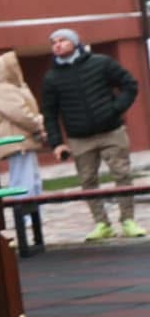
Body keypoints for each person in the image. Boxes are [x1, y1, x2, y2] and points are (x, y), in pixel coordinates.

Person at [39, 27, 143, 241]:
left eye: (63, 40)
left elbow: (130, 85)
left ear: (75, 43)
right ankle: (102, 224)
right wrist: (57, 143)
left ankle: (128, 220)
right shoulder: (51, 78)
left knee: (122, 175)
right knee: (88, 181)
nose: (57, 45)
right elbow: (50, 113)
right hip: (79, 139)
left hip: (112, 131)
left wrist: (116, 109)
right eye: (54, 42)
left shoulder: (101, 63)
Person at [0, 51, 47, 253]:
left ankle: (34, 214)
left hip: (24, 140)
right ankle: (25, 216)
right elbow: (19, 113)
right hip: (16, 141)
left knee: (32, 178)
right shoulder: (4, 89)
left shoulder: (14, 87)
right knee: (23, 179)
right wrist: (37, 122)